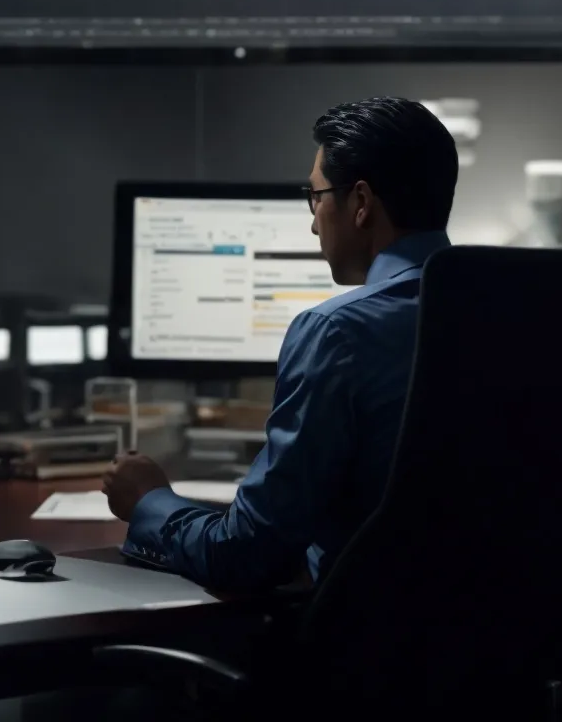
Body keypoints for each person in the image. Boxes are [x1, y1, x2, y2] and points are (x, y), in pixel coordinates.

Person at [103, 96, 458, 590]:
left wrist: (149, 499)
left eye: (316, 197)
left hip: (364, 656)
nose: (313, 221)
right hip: (512, 654)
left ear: (359, 203)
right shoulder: (522, 314)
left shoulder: (338, 330)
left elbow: (246, 554)